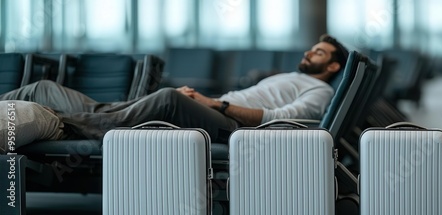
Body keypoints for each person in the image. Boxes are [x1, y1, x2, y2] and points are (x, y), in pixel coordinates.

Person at [0, 34, 348, 154]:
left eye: (318, 53)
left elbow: (279, 121)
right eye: (312, 49)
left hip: (232, 127)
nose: (308, 54)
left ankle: (69, 123)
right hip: (212, 109)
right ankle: (55, 115)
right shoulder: (291, 75)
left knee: (169, 97)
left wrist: (215, 103)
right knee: (43, 87)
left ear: (332, 67)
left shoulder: (318, 91)